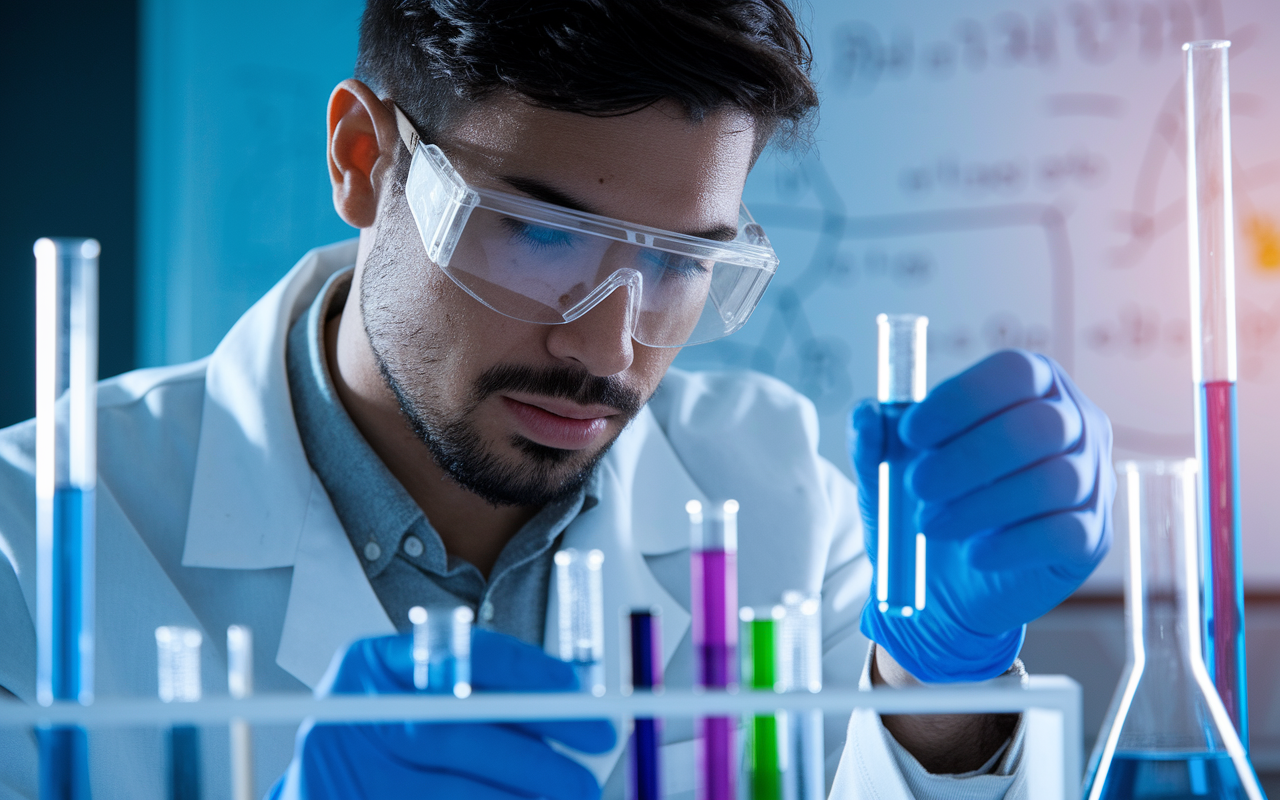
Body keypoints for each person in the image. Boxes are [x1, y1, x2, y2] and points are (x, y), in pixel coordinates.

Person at [0, 1, 1113, 797]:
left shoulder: (775, 498)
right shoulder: (33, 536)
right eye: (538, 232)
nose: (604, 343)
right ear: (360, 158)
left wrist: (936, 687)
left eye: (680, 260)